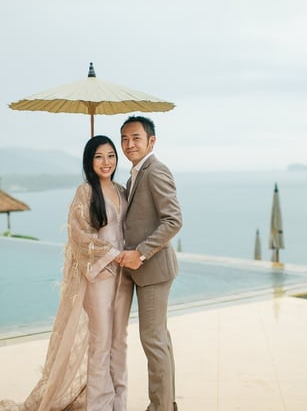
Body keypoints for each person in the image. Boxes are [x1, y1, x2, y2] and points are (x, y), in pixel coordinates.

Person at [0, 135, 133, 411]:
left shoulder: (121, 191)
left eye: (111, 155)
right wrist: (112, 255)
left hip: (124, 277)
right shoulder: (85, 192)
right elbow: (79, 234)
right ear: (89, 161)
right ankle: (100, 406)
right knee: (100, 342)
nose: (106, 162)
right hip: (100, 275)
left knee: (120, 342)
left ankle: (120, 403)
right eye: (99, 156)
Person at [116, 116, 183, 411]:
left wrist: (140, 252)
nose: (130, 144)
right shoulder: (133, 177)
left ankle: (160, 408)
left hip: (153, 271)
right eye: (125, 139)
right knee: (160, 342)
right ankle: (166, 404)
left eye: (136, 138)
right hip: (146, 272)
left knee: (153, 343)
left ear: (151, 141)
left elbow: (174, 220)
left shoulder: (156, 171)